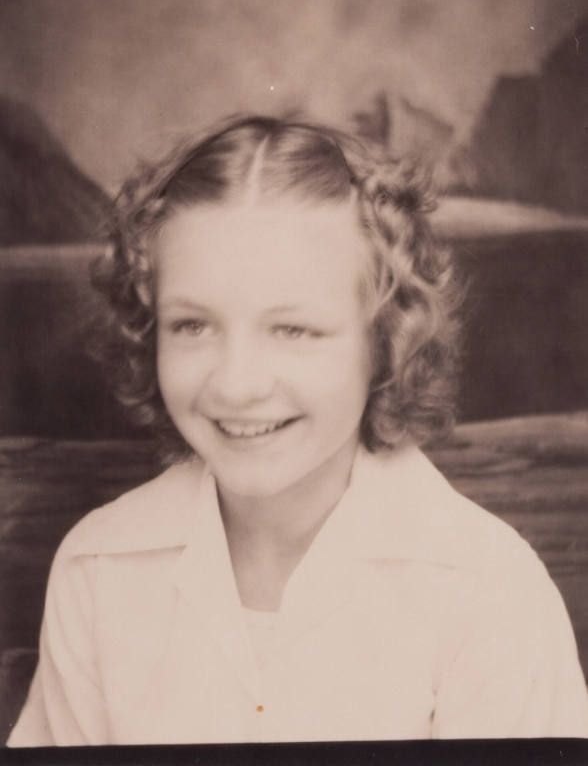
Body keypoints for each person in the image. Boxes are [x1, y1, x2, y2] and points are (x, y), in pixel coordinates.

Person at [8, 116, 588, 745]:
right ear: (150, 329)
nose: (236, 384)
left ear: (386, 340)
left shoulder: (486, 592)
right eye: (192, 326)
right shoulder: (98, 573)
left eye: (293, 330)